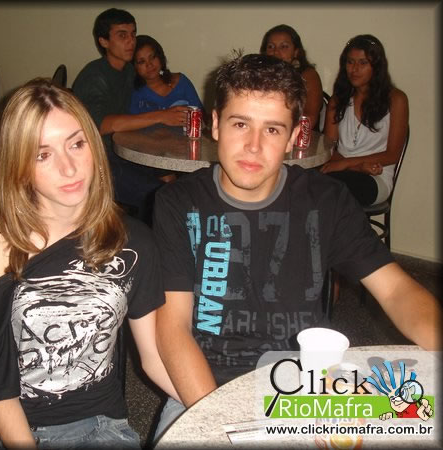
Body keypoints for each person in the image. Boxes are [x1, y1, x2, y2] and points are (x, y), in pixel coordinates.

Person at [152, 52, 441, 438]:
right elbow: (173, 328)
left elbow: (397, 291)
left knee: (414, 418)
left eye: (272, 130)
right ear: (216, 124)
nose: (253, 146)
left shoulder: (326, 200)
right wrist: (225, 426)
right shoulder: (178, 203)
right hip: (205, 387)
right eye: (241, 124)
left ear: (292, 138)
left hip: (309, 388)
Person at [0, 78, 179, 448]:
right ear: (18, 166)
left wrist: (219, 410)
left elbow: (155, 358)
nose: (69, 168)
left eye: (76, 144)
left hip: (98, 426)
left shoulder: (135, 241)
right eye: (42, 155)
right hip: (4, 428)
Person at [72, 8, 189, 223]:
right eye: (122, 35)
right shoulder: (94, 76)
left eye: (133, 34)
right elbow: (100, 125)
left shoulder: (128, 71)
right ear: (104, 41)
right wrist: (161, 116)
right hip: (99, 160)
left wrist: (173, 82)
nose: (131, 41)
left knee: (173, 179)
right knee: (159, 195)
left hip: (126, 151)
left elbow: (154, 81)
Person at [321, 34, 408, 207]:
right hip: (340, 170)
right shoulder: (338, 100)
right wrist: (355, 167)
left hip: (376, 176)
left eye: (363, 63)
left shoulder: (396, 99)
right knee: (303, 182)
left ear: (376, 66)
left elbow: (392, 155)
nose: (354, 69)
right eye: (350, 62)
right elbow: (328, 147)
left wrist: (346, 163)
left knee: (330, 191)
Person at [260, 24, 323, 131]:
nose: (276, 52)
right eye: (271, 47)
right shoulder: (259, 77)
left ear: (296, 52)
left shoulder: (308, 75)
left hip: (299, 137)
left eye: (283, 47)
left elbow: (309, 118)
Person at [129, 34, 203, 115]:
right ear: (133, 66)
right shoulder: (134, 93)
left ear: (160, 56)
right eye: (142, 62)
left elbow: (200, 115)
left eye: (152, 57)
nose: (149, 65)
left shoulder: (181, 82)